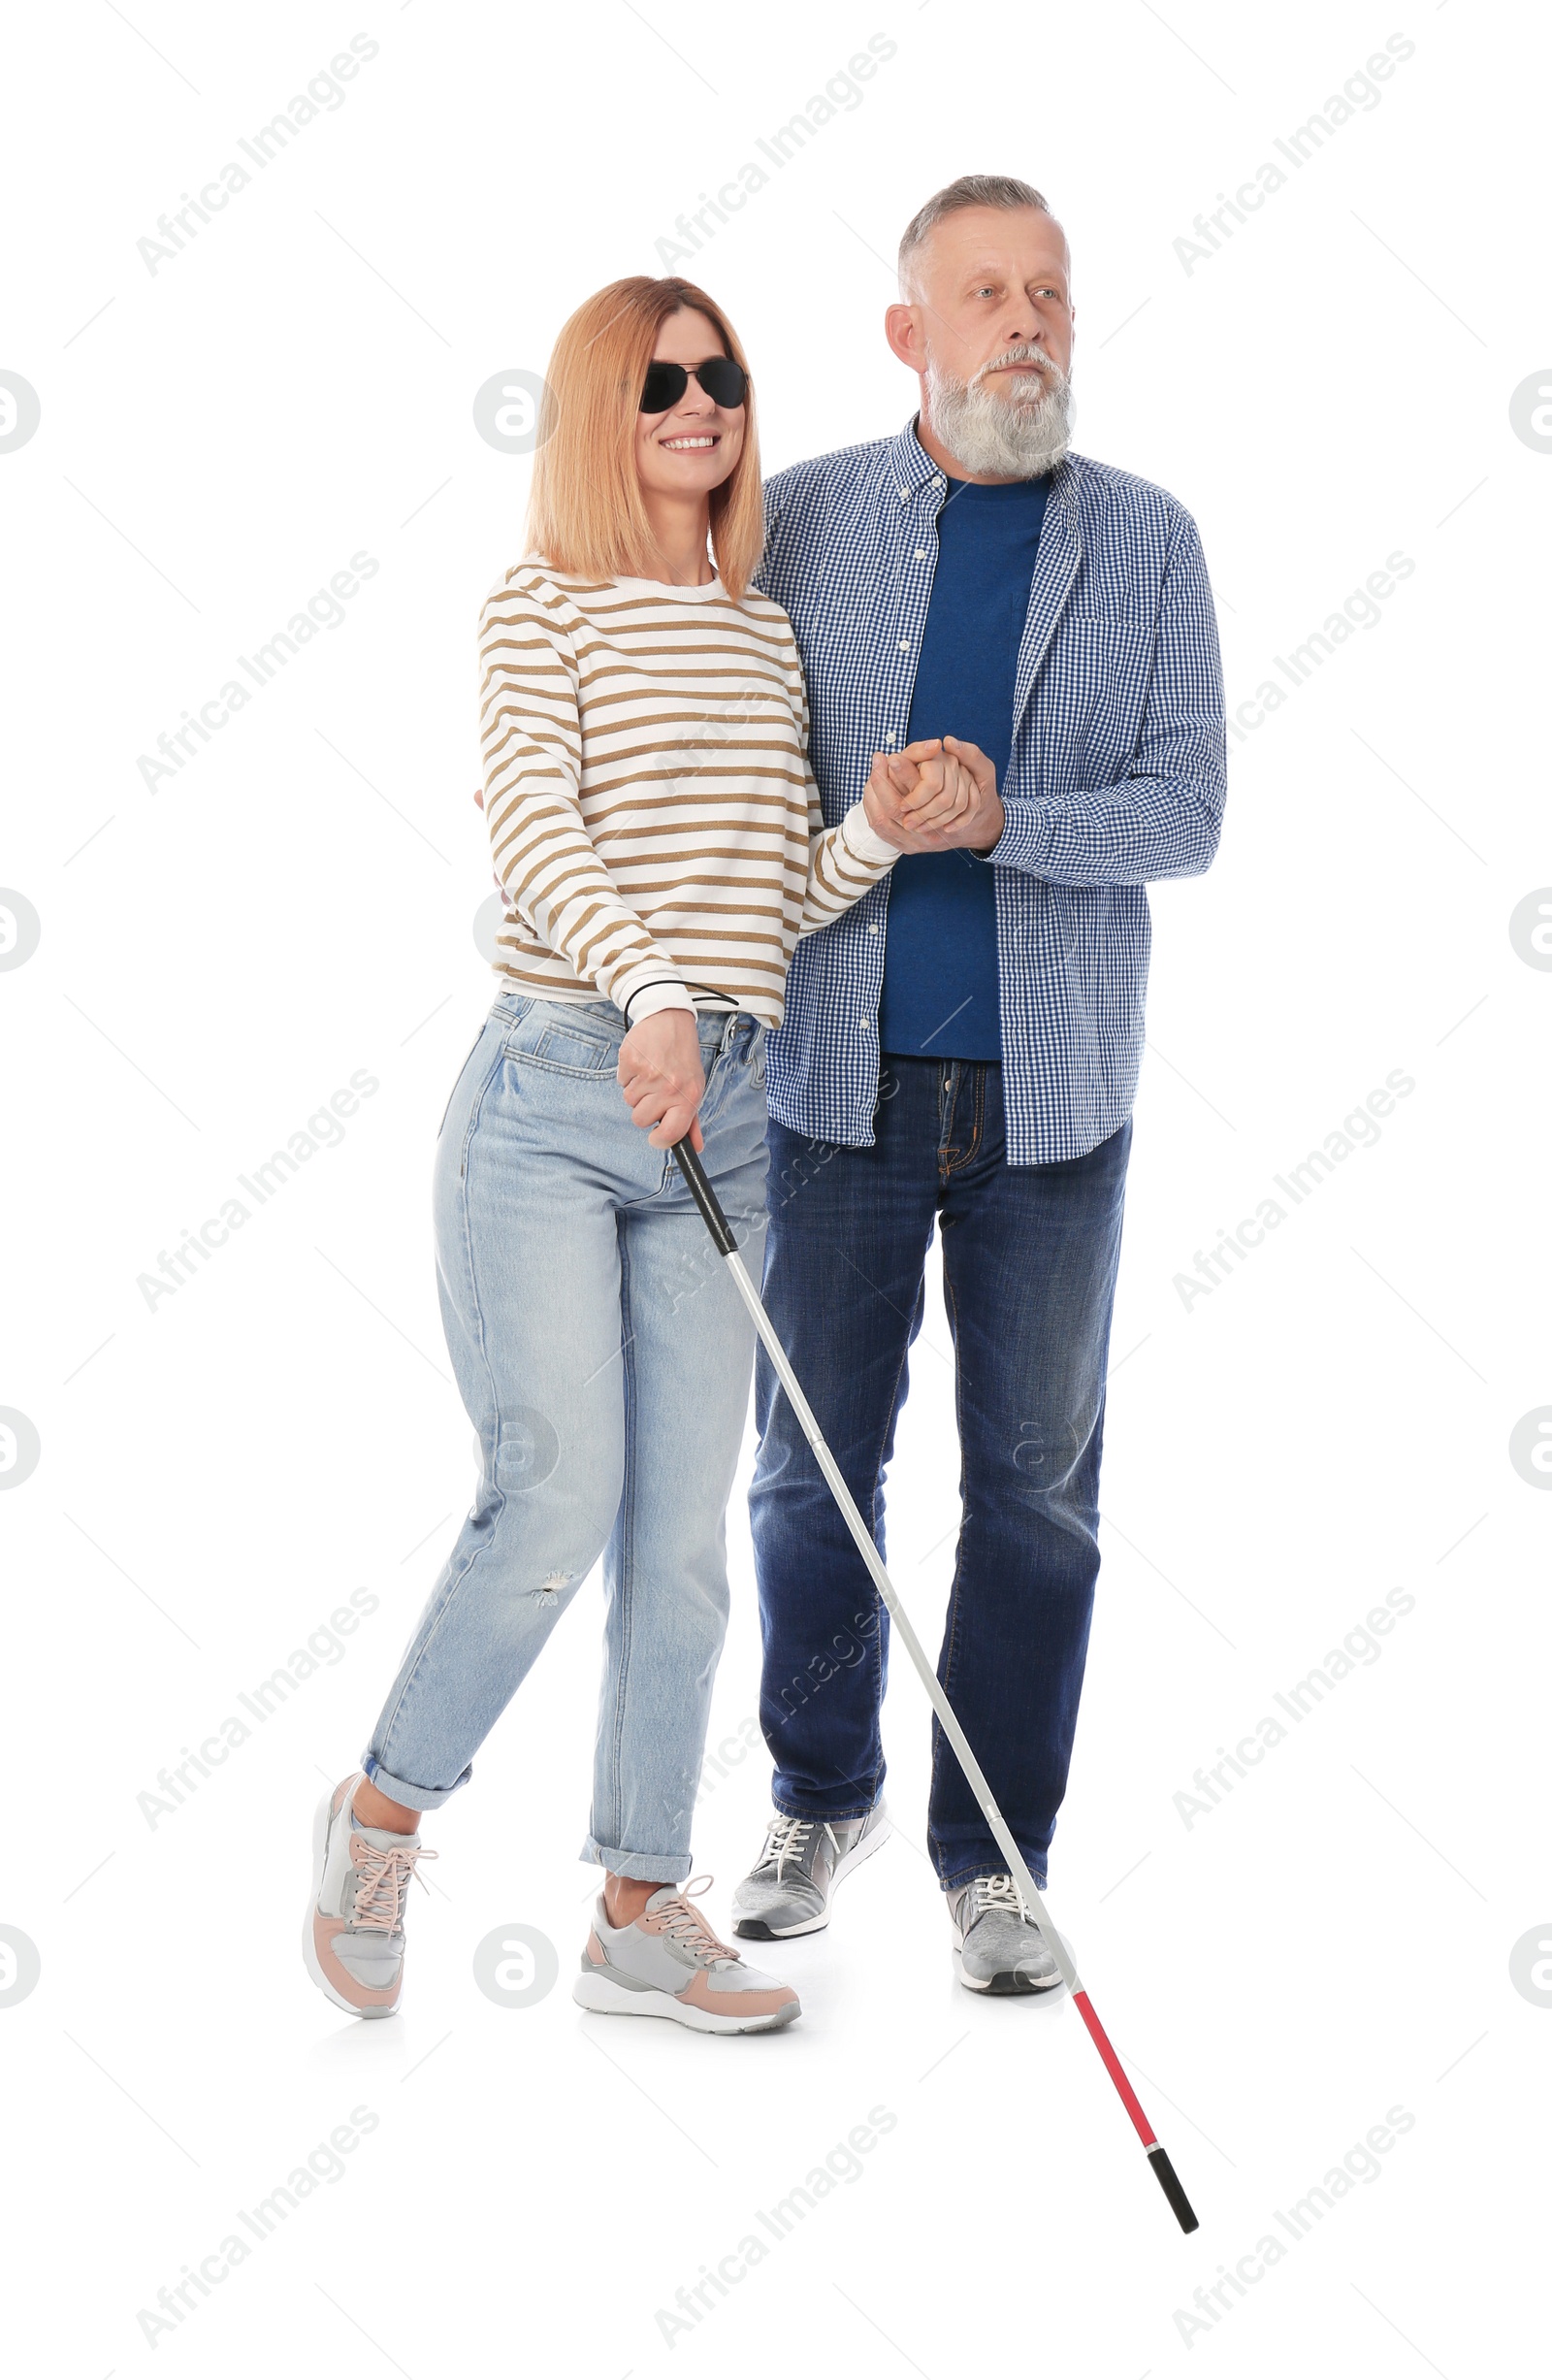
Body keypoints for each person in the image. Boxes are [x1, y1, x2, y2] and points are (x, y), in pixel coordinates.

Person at [302, 275, 974, 2034]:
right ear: (605, 407)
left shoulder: (762, 632)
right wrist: (654, 991)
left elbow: (770, 899)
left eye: (723, 375)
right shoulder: (537, 607)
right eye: (661, 378)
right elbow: (536, 832)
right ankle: (380, 1815)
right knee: (556, 1493)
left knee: (683, 1537)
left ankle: (633, 1906)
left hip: (725, 1107)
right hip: (553, 1096)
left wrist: (872, 835)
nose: (698, 402)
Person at [729, 176, 1228, 1992]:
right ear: (908, 335)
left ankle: (996, 1856)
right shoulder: (797, 531)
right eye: (988, 296)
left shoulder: (1151, 542)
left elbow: (1191, 811)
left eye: (1051, 294)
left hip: (1056, 1104)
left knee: (1035, 1492)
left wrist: (1008, 823)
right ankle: (816, 1786)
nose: (1028, 323)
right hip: (834, 1085)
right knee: (807, 1476)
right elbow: (727, 782)